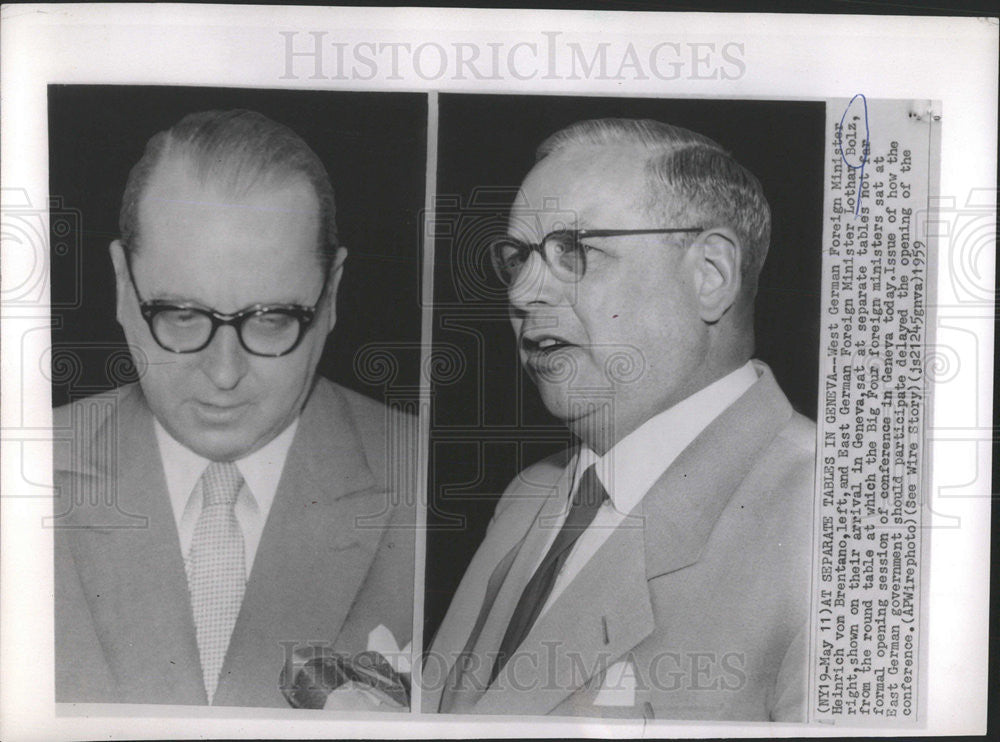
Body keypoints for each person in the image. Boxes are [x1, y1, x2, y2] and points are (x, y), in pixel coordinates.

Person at [424, 118, 816, 721]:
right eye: (517, 257)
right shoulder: (529, 497)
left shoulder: (838, 521)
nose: (525, 293)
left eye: (576, 252)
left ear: (711, 275)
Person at [53, 110, 415, 708]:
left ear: (331, 298)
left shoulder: (435, 484)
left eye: (273, 318)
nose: (224, 374)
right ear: (121, 285)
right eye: (181, 315)